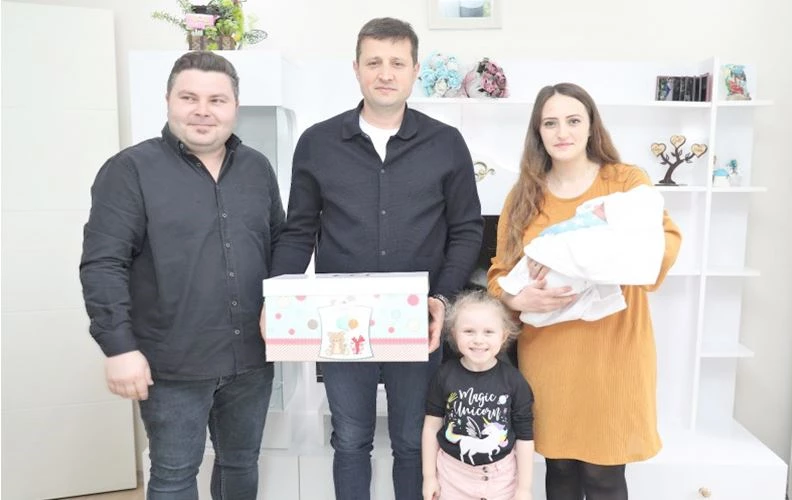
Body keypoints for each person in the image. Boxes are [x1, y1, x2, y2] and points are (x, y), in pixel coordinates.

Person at [269, 17, 483, 500]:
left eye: (397, 63)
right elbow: (299, 229)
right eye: (374, 62)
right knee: (350, 440)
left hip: (420, 321)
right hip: (341, 321)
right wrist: (276, 298)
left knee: (411, 442)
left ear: (415, 70)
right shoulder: (318, 142)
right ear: (356, 68)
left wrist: (442, 299)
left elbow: (467, 228)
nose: (385, 73)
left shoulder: (446, 143)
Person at [79, 51, 285, 499]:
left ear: (235, 106)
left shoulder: (257, 168)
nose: (202, 110)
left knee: (241, 464)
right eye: (189, 97)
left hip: (251, 358)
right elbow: (103, 263)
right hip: (172, 365)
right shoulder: (129, 170)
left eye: (217, 100)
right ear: (169, 101)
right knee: (174, 476)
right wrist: (119, 347)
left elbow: (279, 246)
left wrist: (284, 311)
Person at [486, 82, 681, 500]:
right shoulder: (523, 196)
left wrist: (604, 259)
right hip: (551, 354)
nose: (563, 132)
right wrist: (516, 299)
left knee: (604, 473)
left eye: (573, 120)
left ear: (591, 126)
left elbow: (666, 241)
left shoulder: (625, 182)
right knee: (560, 470)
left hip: (615, 350)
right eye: (550, 123)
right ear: (538, 132)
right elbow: (499, 273)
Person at [422, 290, 534, 500]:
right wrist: (429, 477)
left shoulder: (514, 381)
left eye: (488, 332)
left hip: (501, 479)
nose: (478, 340)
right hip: (452, 477)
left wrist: (524, 488)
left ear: (504, 335)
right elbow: (431, 427)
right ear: (454, 333)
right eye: (469, 331)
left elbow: (525, 437)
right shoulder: (444, 375)